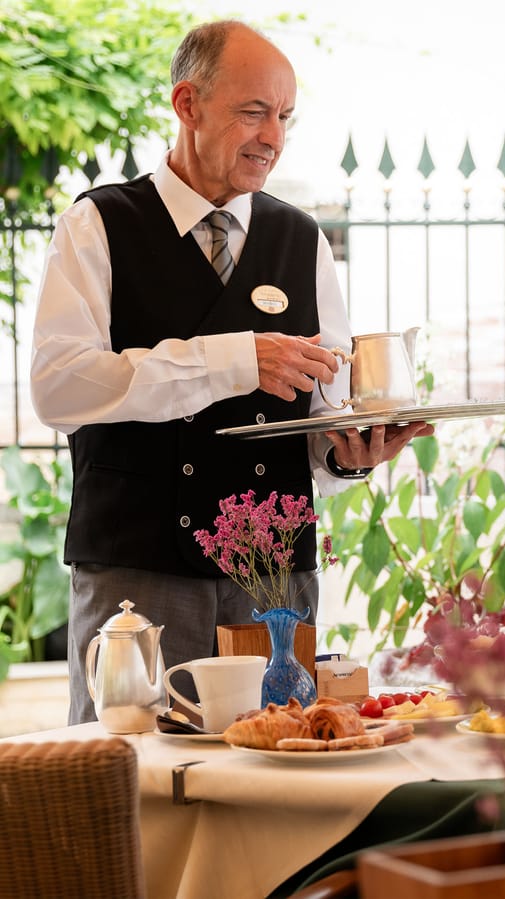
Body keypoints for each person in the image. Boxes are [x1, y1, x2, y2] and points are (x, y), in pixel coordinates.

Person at [30, 19, 433, 724]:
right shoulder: (98, 225)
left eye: (284, 117)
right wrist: (237, 358)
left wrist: (349, 455)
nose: (273, 137)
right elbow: (59, 387)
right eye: (253, 112)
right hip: (138, 579)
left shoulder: (300, 238)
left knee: (281, 771)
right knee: (132, 774)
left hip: (274, 584)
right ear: (187, 104)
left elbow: (323, 415)